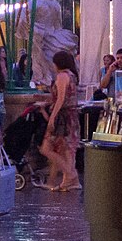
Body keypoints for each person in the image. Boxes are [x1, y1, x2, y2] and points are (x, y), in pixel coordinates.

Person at [41, 50, 82, 192]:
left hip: (62, 117)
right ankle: (68, 181)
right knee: (67, 149)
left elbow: (61, 98)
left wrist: (52, 117)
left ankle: (71, 175)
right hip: (71, 116)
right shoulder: (72, 76)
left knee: (47, 148)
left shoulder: (62, 76)